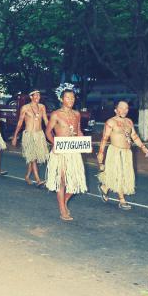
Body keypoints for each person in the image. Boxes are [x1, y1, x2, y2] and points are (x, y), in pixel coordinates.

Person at [96, 101, 148, 210]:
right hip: (115, 152)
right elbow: (104, 138)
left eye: (126, 108)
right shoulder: (111, 122)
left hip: (127, 153)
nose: (124, 110)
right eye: (122, 108)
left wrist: (143, 147)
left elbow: (134, 136)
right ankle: (122, 200)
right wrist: (101, 153)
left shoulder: (129, 122)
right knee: (119, 174)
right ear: (116, 110)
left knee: (123, 174)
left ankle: (104, 187)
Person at [45, 89, 87, 221]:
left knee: (75, 182)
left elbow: (78, 130)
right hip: (61, 151)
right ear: (62, 99)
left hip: (73, 151)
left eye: (73, 98)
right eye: (68, 98)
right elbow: (48, 132)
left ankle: (64, 202)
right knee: (62, 181)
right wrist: (54, 144)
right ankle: (62, 209)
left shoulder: (76, 114)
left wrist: (81, 137)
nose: (71, 100)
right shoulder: (56, 114)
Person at [12, 90, 49, 186]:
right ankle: (38, 180)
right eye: (35, 95)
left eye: (39, 95)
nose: (38, 97)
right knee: (33, 158)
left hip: (39, 135)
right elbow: (20, 122)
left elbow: (46, 121)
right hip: (29, 135)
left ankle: (27, 176)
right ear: (31, 97)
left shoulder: (42, 107)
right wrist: (15, 136)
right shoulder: (25, 108)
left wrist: (52, 133)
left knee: (34, 158)